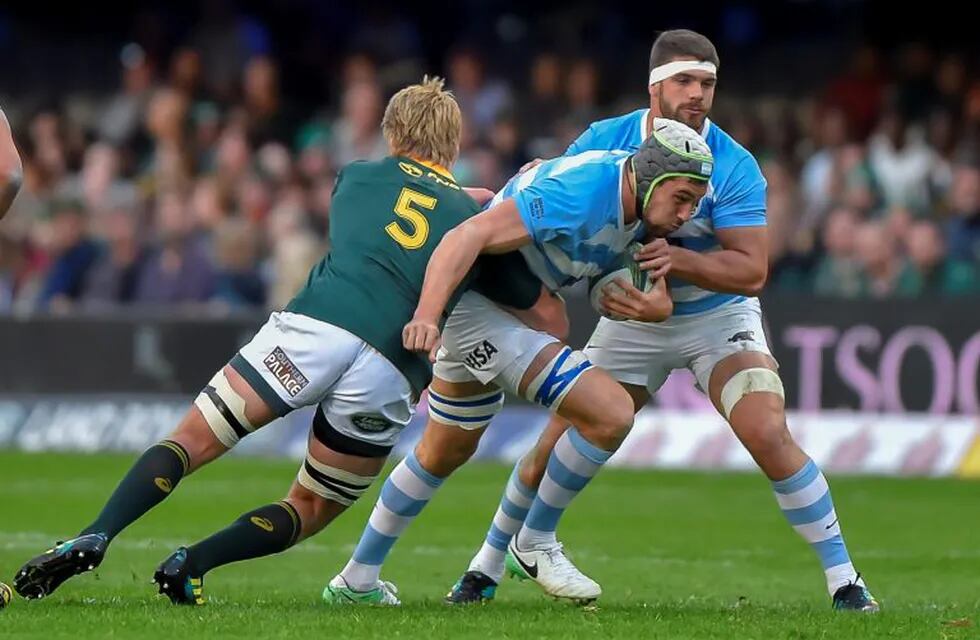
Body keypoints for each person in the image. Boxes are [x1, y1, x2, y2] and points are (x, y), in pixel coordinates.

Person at [11, 77, 545, 605]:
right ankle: (192, 563)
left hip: (317, 325)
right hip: (393, 361)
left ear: (392, 133)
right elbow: (528, 299)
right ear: (453, 143)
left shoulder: (358, 177)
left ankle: (98, 532)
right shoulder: (478, 218)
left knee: (193, 439)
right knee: (311, 505)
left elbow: (396, 215)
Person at [447, 29, 879, 613]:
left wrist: (679, 265)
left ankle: (846, 581)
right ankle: (487, 564)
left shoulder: (734, 164)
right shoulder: (605, 140)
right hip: (632, 320)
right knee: (557, 440)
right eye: (684, 81)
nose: (697, 94)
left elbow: (752, 271)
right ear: (654, 87)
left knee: (766, 429)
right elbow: (554, 214)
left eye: (707, 83)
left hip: (716, 317)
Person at [323, 118, 712, 605]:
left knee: (442, 450)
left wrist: (657, 306)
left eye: (695, 203)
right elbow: (467, 236)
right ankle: (534, 542)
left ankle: (356, 582)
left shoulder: (635, 210)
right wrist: (427, 315)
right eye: (682, 198)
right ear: (652, 179)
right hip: (477, 307)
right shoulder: (584, 192)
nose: (686, 214)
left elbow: (611, 281)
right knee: (611, 412)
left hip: (489, 306)